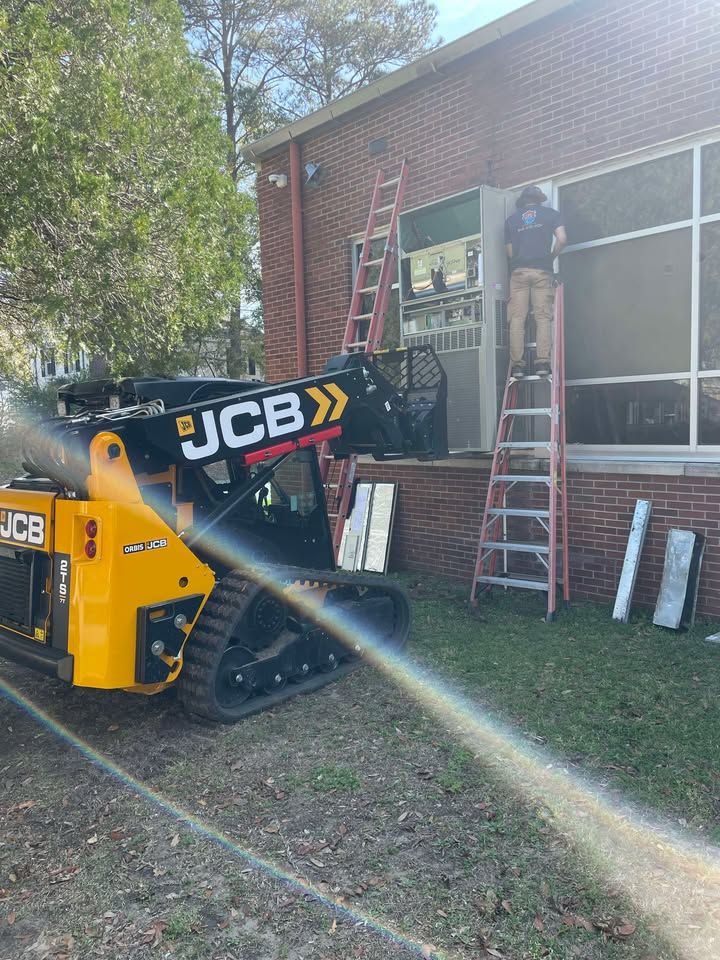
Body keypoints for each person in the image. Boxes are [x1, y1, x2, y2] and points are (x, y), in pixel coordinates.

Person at [504, 185, 566, 378]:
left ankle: (518, 367)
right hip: (542, 272)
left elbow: (510, 253)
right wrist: (550, 257)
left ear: (523, 201)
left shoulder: (511, 221)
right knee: (542, 317)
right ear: (539, 199)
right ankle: (542, 364)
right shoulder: (551, 214)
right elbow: (562, 239)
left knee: (517, 319)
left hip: (519, 273)